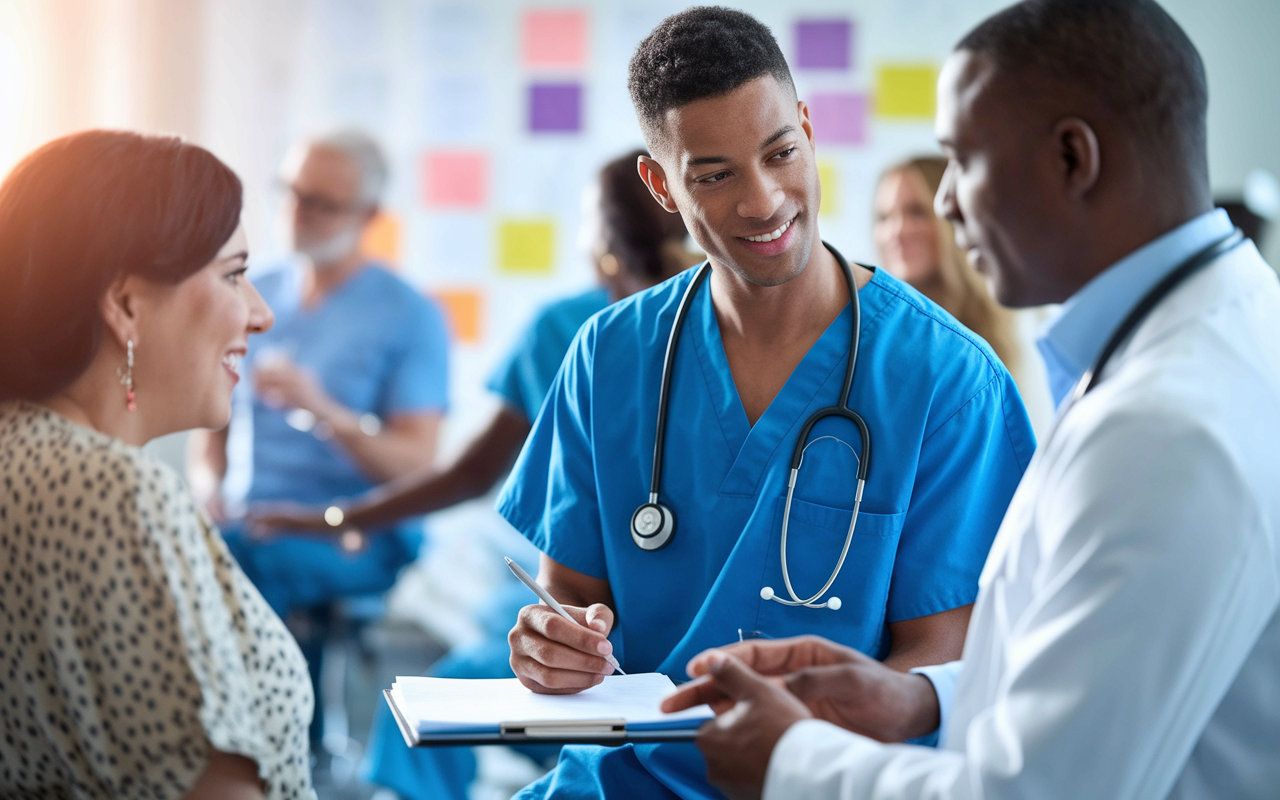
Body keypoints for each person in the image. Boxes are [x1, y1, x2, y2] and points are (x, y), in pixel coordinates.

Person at [661, 2, 1280, 799]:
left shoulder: (1166, 430)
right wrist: (920, 697)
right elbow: (1101, 686)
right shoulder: (1224, 326)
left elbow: (1040, 791)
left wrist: (790, 761)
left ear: (1072, 158)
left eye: (962, 160)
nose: (946, 203)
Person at [498, 8, 1036, 800]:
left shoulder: (947, 381)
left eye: (780, 154)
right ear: (662, 186)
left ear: (810, 132)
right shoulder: (606, 358)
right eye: (714, 175)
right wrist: (556, 644)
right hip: (616, 783)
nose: (763, 202)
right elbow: (573, 596)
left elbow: (947, 655)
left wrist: (798, 756)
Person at [247, 149, 701, 800]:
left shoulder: (576, 330)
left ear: (600, 239)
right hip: (674, 624)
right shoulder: (710, 329)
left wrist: (333, 520)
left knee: (435, 722)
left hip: (599, 622)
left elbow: (468, 473)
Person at [0, 130, 312, 798]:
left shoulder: (18, 450)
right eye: (233, 274)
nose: (261, 313)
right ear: (126, 304)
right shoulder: (115, 492)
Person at [188, 130, 450, 748]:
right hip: (254, 518)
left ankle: (278, 747)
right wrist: (207, 489)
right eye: (292, 192)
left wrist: (320, 407)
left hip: (359, 532)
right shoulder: (256, 290)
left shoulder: (408, 314)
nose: (298, 212)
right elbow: (212, 433)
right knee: (191, 543)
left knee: (250, 561)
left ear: (369, 217)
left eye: (322, 202)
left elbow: (418, 464)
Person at [873, 156, 1019, 374]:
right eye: (884, 217)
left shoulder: (1011, 332)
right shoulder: (869, 333)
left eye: (916, 212)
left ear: (955, 219)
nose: (897, 231)